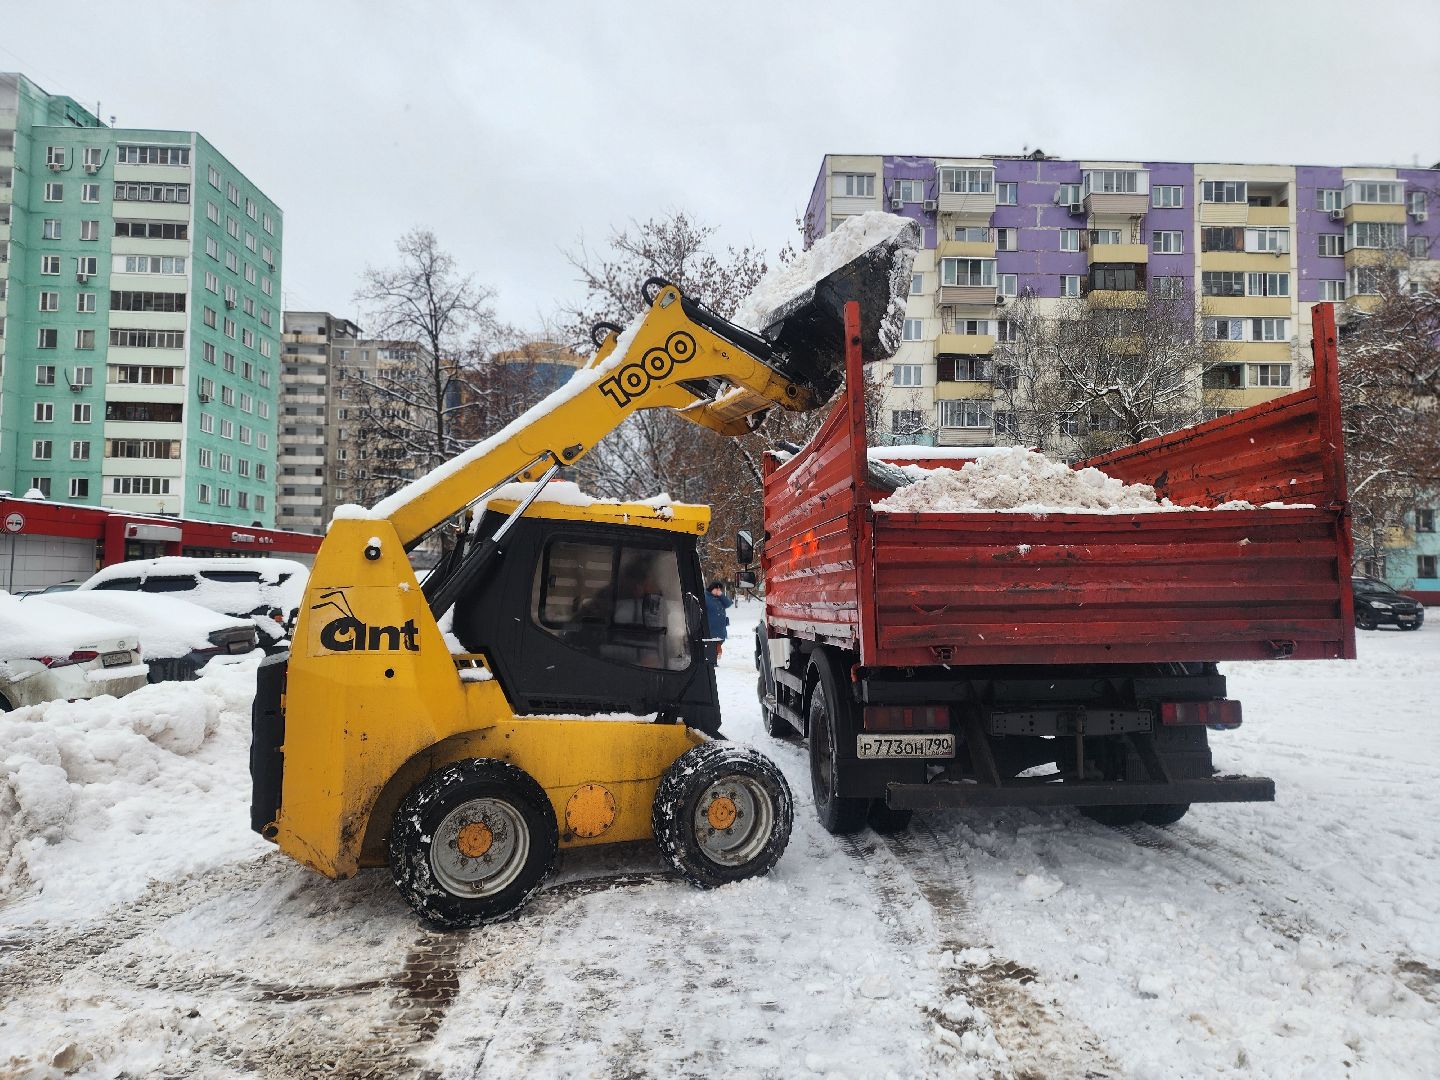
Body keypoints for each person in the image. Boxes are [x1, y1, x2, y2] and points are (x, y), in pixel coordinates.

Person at [705, 580, 731, 660]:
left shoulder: (720, 598)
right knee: (712, 646)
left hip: (720, 627)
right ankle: (712, 661)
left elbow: (728, 604)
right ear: (712, 589)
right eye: (717, 589)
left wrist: (721, 595)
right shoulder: (705, 597)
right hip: (711, 627)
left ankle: (714, 659)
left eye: (720, 590)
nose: (718, 591)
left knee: (718, 644)